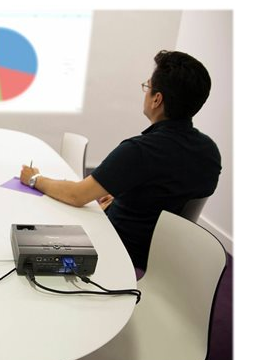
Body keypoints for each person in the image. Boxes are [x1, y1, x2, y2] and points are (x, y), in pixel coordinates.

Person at [20, 50, 221, 271]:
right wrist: (124, 197)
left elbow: (77, 195)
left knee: (41, 218)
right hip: (165, 253)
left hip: (119, 248)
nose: (145, 92)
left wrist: (35, 179)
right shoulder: (210, 151)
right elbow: (166, 190)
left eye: (147, 86)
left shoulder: (139, 150)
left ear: (157, 99)